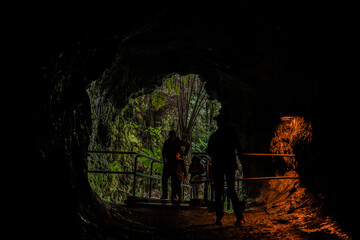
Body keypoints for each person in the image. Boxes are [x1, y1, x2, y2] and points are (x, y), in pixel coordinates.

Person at [206, 110, 244, 226]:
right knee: (231, 190)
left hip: (218, 165)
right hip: (229, 165)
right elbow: (239, 147)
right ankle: (239, 216)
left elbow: (208, 151)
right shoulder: (231, 134)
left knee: (219, 191)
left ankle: (219, 216)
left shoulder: (214, 136)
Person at [161, 130, 190, 199]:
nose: (172, 138)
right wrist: (165, 160)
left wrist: (184, 154)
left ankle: (174, 195)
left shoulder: (178, 142)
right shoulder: (167, 142)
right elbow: (163, 152)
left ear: (174, 136)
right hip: (168, 164)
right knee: (164, 179)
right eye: (171, 137)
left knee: (175, 180)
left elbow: (188, 145)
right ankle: (164, 194)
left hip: (175, 164)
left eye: (173, 137)